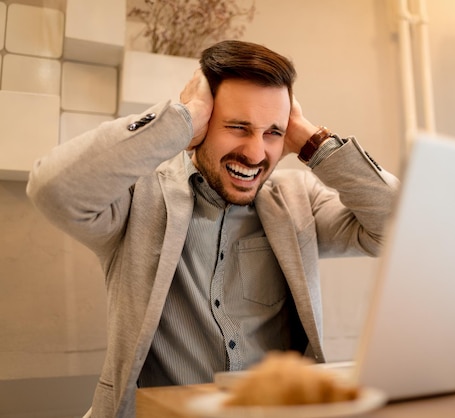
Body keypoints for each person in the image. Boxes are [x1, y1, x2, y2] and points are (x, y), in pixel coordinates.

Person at [26, 40, 399, 418]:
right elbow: (55, 190)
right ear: (203, 125)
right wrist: (181, 119)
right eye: (238, 127)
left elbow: (395, 226)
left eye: (273, 132)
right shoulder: (138, 198)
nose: (255, 154)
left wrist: (311, 139)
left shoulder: (298, 201)